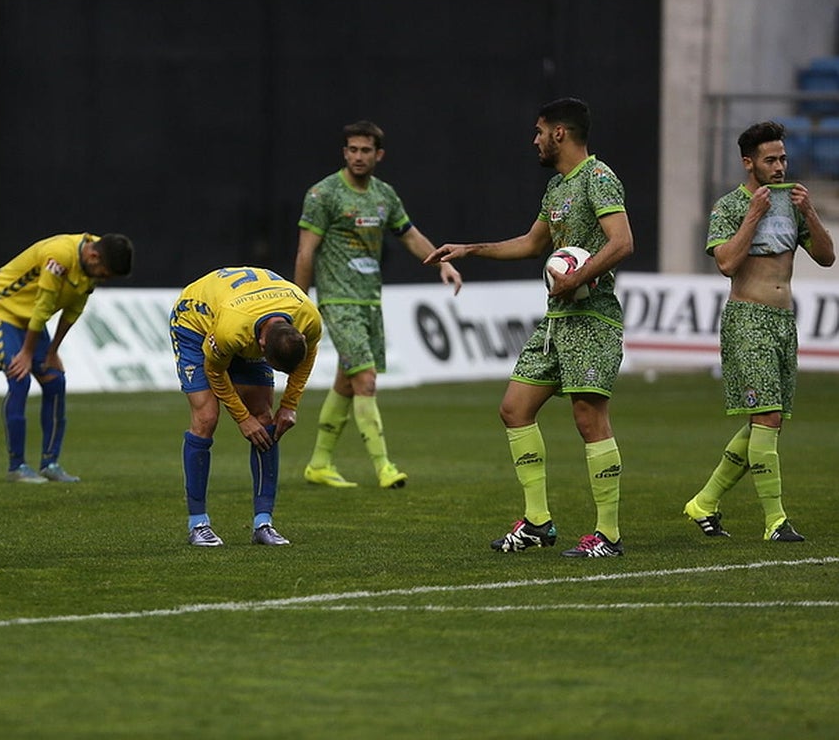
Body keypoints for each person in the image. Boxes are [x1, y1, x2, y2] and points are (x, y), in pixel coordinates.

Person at [425, 97, 634, 558]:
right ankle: (538, 521)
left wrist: (578, 278)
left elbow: (623, 241)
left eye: (539, 131)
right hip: (558, 320)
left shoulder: (599, 178)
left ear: (560, 132)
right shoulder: (557, 188)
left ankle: (609, 535)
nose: (534, 140)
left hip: (592, 318)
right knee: (514, 408)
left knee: (588, 418)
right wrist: (470, 248)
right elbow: (531, 243)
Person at [682, 121, 834, 542]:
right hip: (748, 318)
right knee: (766, 417)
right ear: (749, 163)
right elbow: (727, 263)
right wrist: (753, 216)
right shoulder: (730, 206)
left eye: (783, 158)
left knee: (767, 423)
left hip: (784, 323)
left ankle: (705, 503)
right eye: (771, 159)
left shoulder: (793, 203)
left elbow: (826, 257)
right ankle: (775, 521)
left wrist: (810, 213)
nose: (780, 166)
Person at [295, 120, 462, 490]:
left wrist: (443, 263)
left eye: (365, 150)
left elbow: (410, 235)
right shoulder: (324, 194)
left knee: (348, 380)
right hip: (338, 302)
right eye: (352, 149)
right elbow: (306, 250)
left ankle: (319, 463)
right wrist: (298, 303)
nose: (358, 156)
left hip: (369, 301)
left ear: (378, 155)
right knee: (366, 380)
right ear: (344, 152)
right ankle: (384, 467)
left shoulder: (384, 195)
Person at [169, 266, 322, 546]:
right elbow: (215, 370)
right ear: (261, 345)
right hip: (195, 322)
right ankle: (198, 524)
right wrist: (241, 418)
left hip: (246, 309)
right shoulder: (232, 331)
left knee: (264, 418)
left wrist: (289, 405)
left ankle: (263, 524)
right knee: (207, 417)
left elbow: (309, 351)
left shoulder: (308, 317)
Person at [0, 233, 134, 483]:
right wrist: (27, 353)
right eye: (103, 274)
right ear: (93, 256)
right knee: (20, 379)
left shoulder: (93, 262)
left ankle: (50, 463)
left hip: (30, 320)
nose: (102, 279)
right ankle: (17, 466)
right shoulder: (59, 255)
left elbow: (73, 310)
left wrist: (52, 353)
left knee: (55, 381)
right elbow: (43, 306)